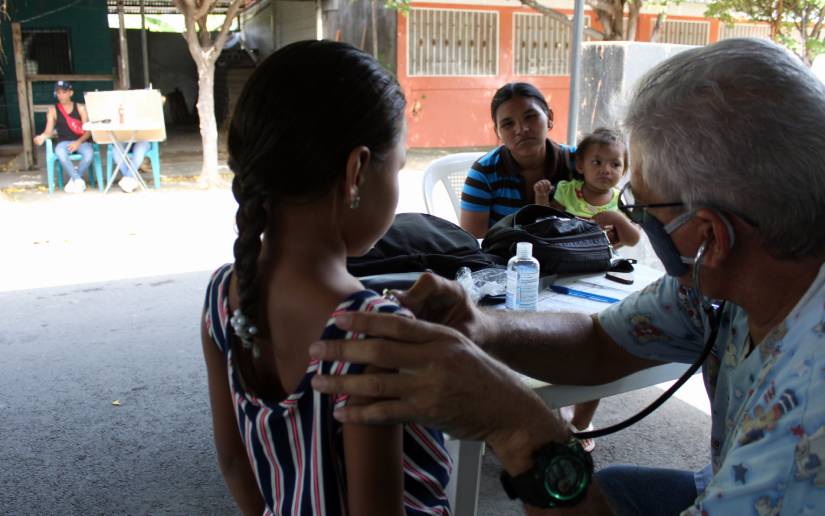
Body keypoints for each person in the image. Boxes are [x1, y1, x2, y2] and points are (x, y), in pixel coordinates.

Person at [309, 37, 825, 515]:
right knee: (613, 487)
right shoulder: (717, 284)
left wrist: (516, 423)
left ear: (711, 234)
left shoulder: (806, 424)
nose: (634, 218)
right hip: (719, 478)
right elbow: (601, 340)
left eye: (643, 206)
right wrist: (481, 327)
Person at [200, 40, 451, 515]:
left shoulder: (220, 296)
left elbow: (234, 462)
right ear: (357, 170)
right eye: (398, 166)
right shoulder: (369, 332)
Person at [459, 82, 576, 238]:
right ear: (497, 132)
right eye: (508, 124)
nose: (521, 129)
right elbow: (474, 240)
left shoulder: (579, 162)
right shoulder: (484, 172)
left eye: (530, 117)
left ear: (549, 117)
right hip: (504, 253)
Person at [536, 127, 640, 247]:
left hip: (602, 257)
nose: (606, 170)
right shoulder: (568, 191)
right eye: (597, 162)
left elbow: (633, 241)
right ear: (580, 165)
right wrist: (541, 197)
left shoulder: (622, 201)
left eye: (615, 164)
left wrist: (618, 220)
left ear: (624, 170)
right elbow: (546, 222)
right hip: (566, 252)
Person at [33, 80, 93, 193]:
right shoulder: (53, 110)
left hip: (81, 141)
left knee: (89, 155)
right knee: (60, 152)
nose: (61, 95)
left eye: (64, 92)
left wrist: (78, 142)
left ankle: (74, 179)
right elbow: (48, 132)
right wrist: (41, 137)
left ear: (71, 93)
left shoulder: (80, 108)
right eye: (58, 92)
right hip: (64, 142)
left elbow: (88, 130)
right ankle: (78, 180)